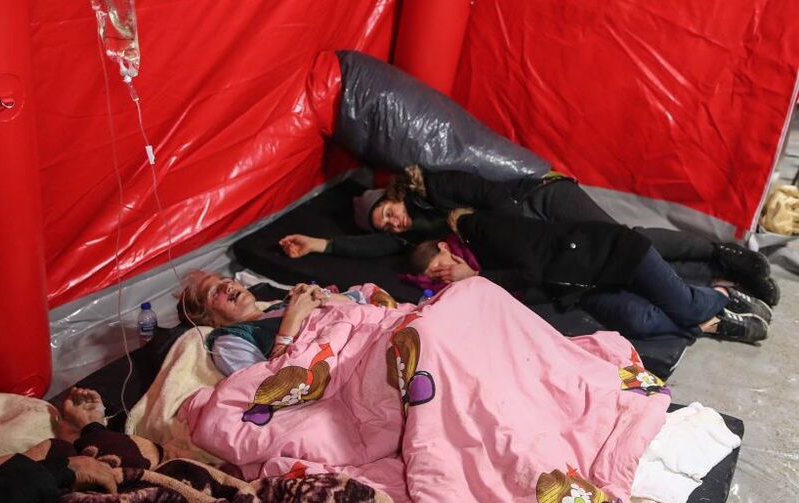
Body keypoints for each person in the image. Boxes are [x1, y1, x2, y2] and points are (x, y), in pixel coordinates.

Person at [278, 166, 779, 306]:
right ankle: (713, 276)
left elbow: (496, 199)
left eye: (386, 213)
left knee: (621, 239)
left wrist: (527, 238)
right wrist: (322, 245)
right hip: (533, 235)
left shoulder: (437, 186)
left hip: (539, 202)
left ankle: (723, 254)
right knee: (615, 262)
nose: (391, 224)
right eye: (384, 225)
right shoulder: (423, 230)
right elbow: (378, 248)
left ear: (393, 196)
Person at [406, 207, 772, 343]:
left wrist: (476, 277)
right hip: (583, 286)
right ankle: (713, 323)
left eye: (438, 266)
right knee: (641, 322)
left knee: (685, 306)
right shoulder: (477, 277)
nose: (443, 275)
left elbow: (529, 272)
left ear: (444, 247)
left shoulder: (482, 229)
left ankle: (724, 297)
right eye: (434, 277)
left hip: (613, 252)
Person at [177, 271, 369, 376]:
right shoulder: (229, 341)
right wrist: (292, 319)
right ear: (211, 321)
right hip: (346, 367)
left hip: (366, 334)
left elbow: (362, 302)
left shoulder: (280, 305)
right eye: (214, 292)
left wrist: (320, 296)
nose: (228, 285)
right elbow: (266, 385)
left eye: (226, 280)